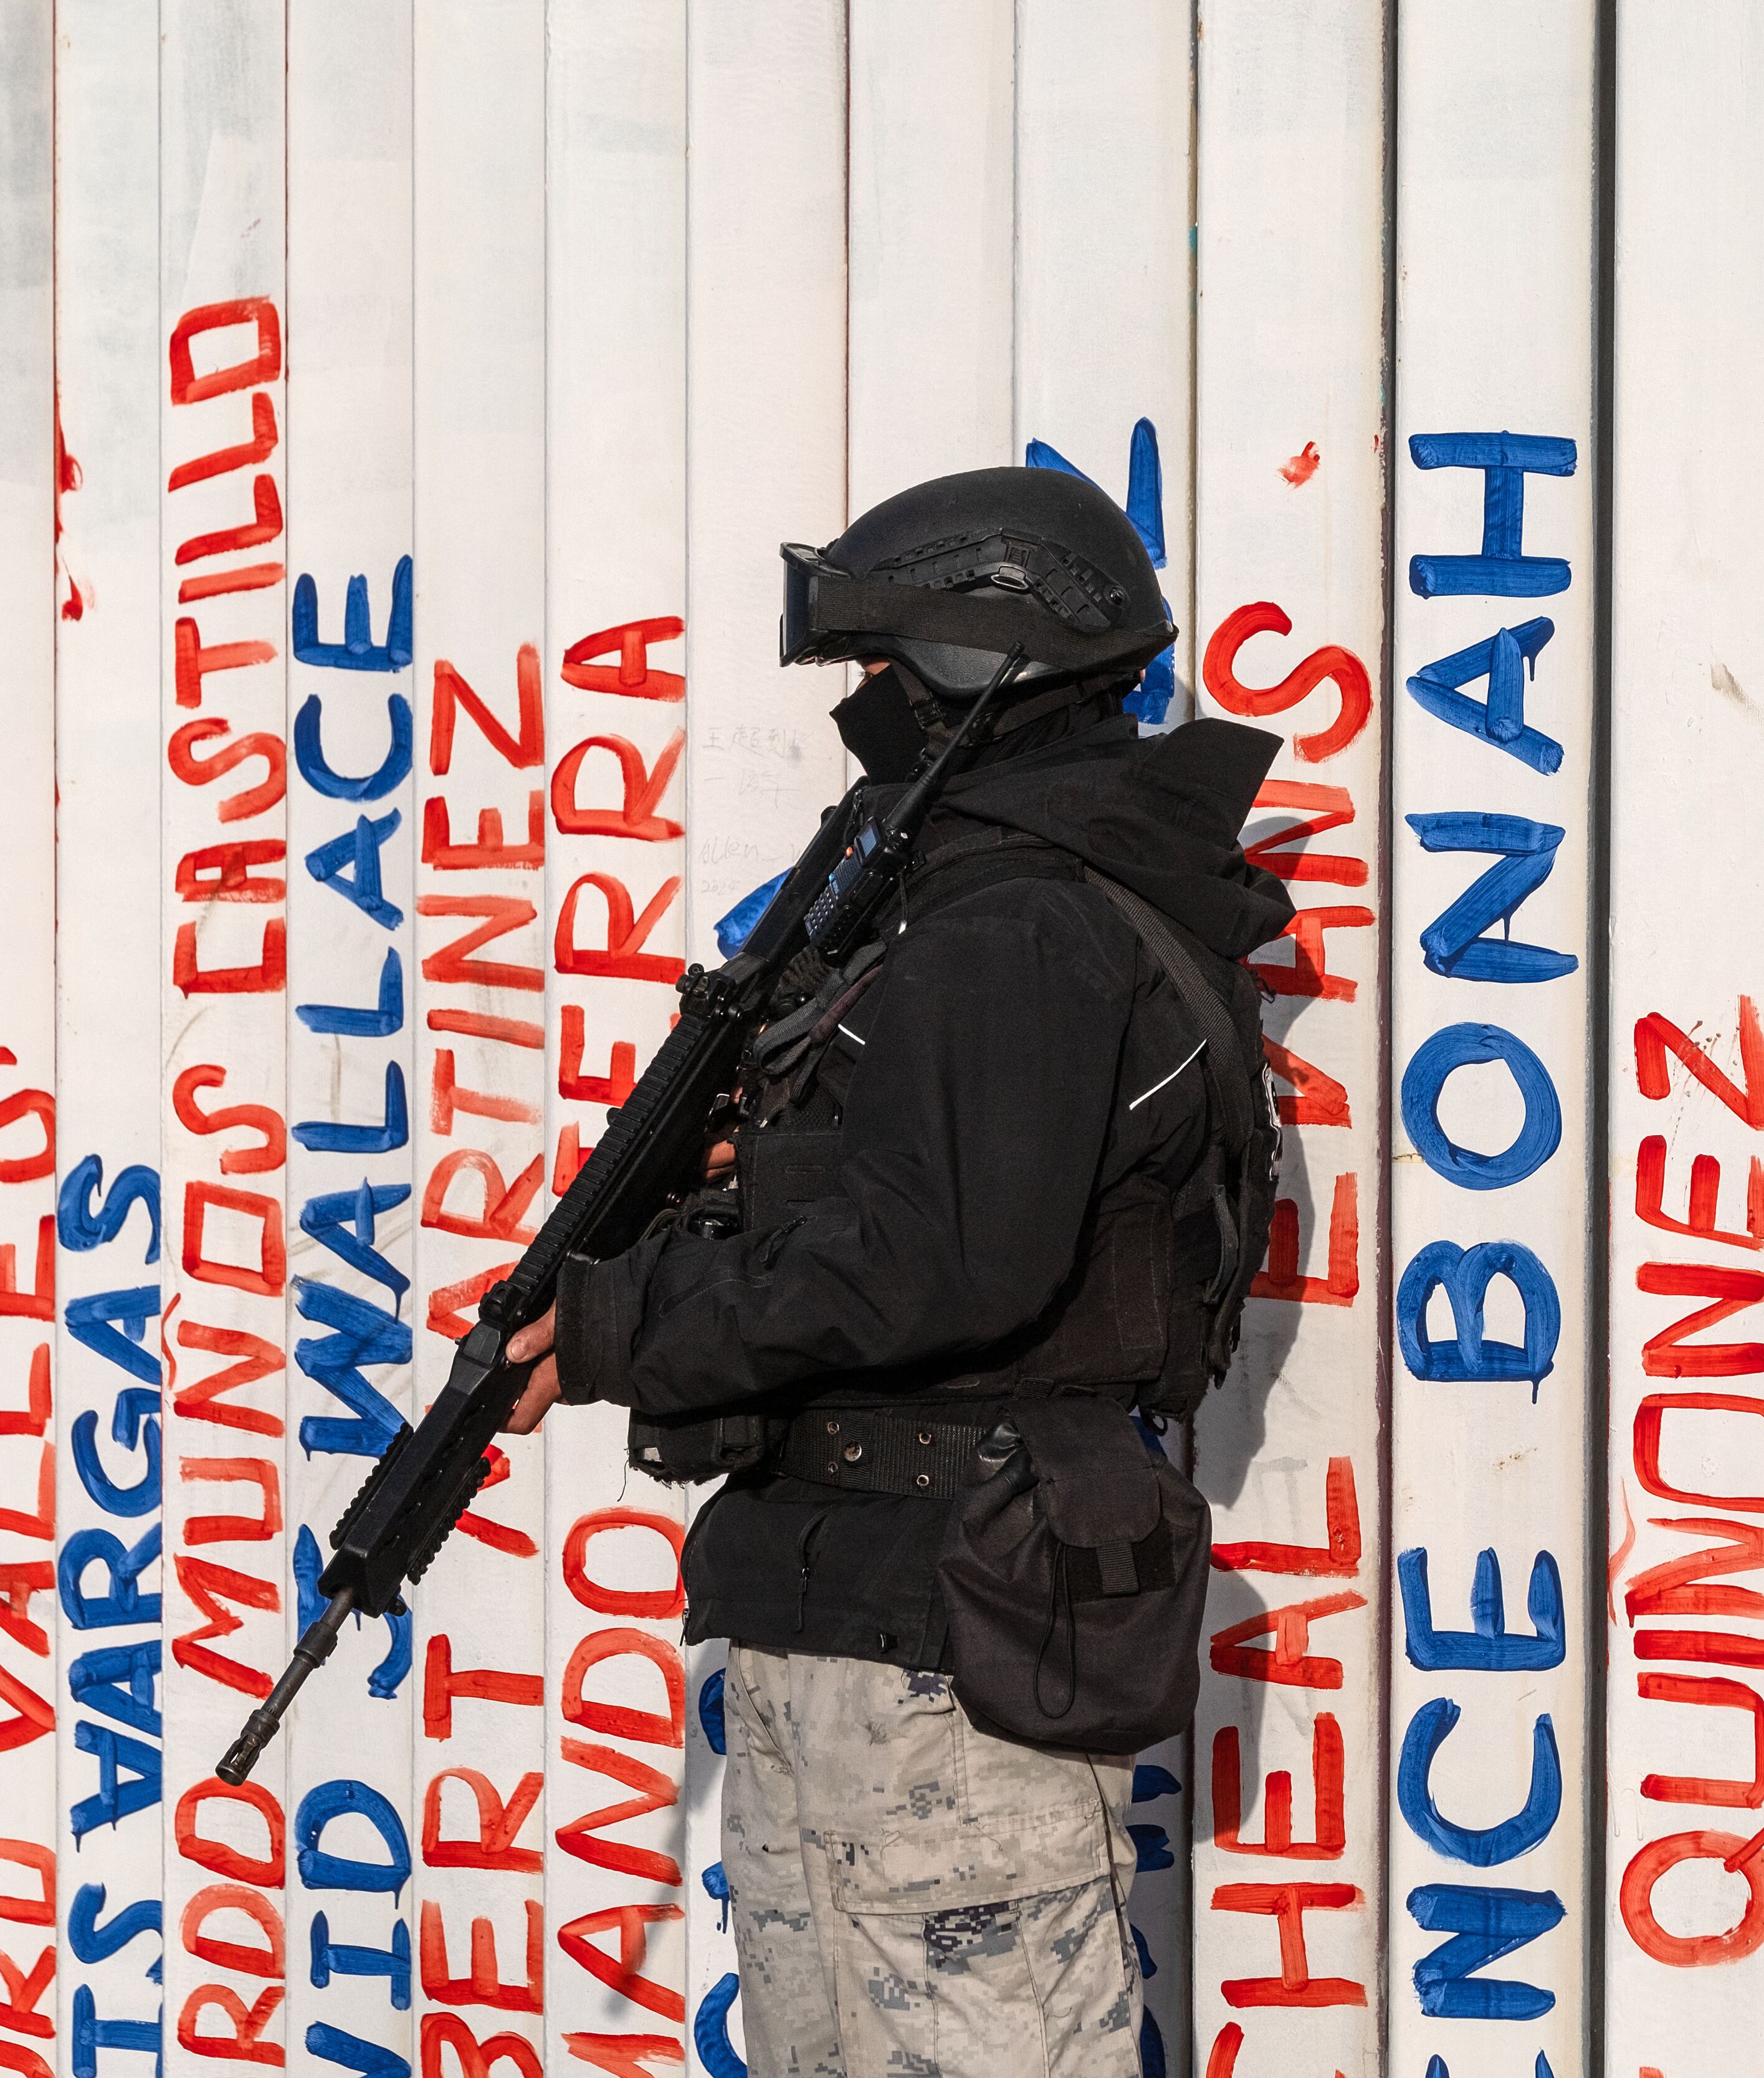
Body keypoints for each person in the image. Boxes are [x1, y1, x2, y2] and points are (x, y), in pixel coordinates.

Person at [501, 466, 1292, 2078]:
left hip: (948, 1652)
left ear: (969, 670)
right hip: (860, 1614)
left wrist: (617, 1328)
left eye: (882, 666)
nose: (861, 707)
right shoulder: (957, 914)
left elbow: (941, 1267)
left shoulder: (1018, 931)